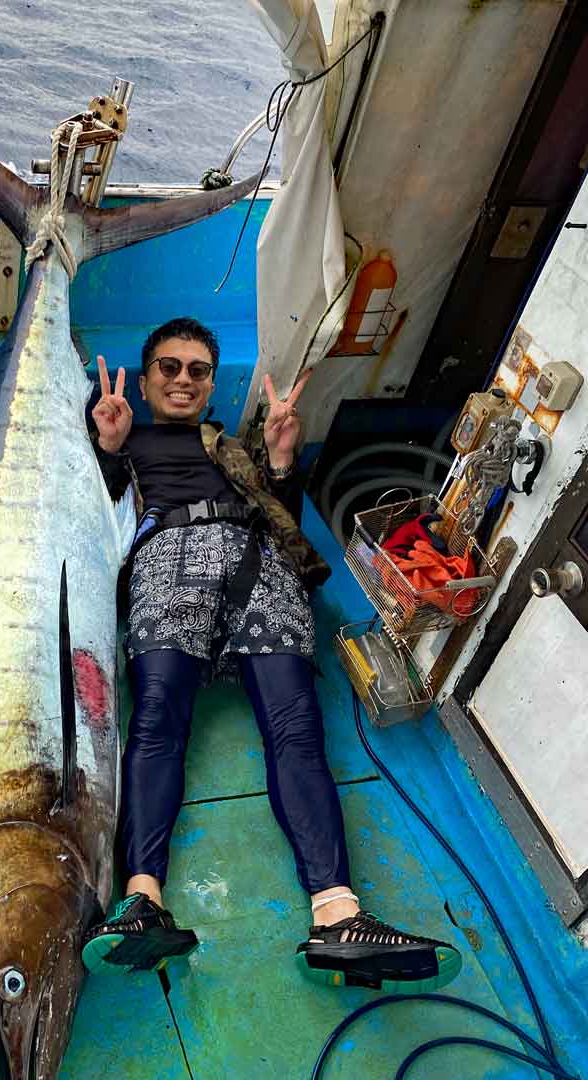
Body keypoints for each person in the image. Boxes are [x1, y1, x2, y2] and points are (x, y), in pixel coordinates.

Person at [80, 316, 461, 994]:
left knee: (296, 726)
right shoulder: (122, 434)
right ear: (145, 382)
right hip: (170, 557)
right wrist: (108, 448)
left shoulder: (231, 446)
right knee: (158, 715)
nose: (183, 379)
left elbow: (280, 511)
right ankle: (142, 900)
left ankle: (338, 915)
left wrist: (282, 460)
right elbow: (95, 510)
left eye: (197, 370)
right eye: (169, 367)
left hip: (259, 564)